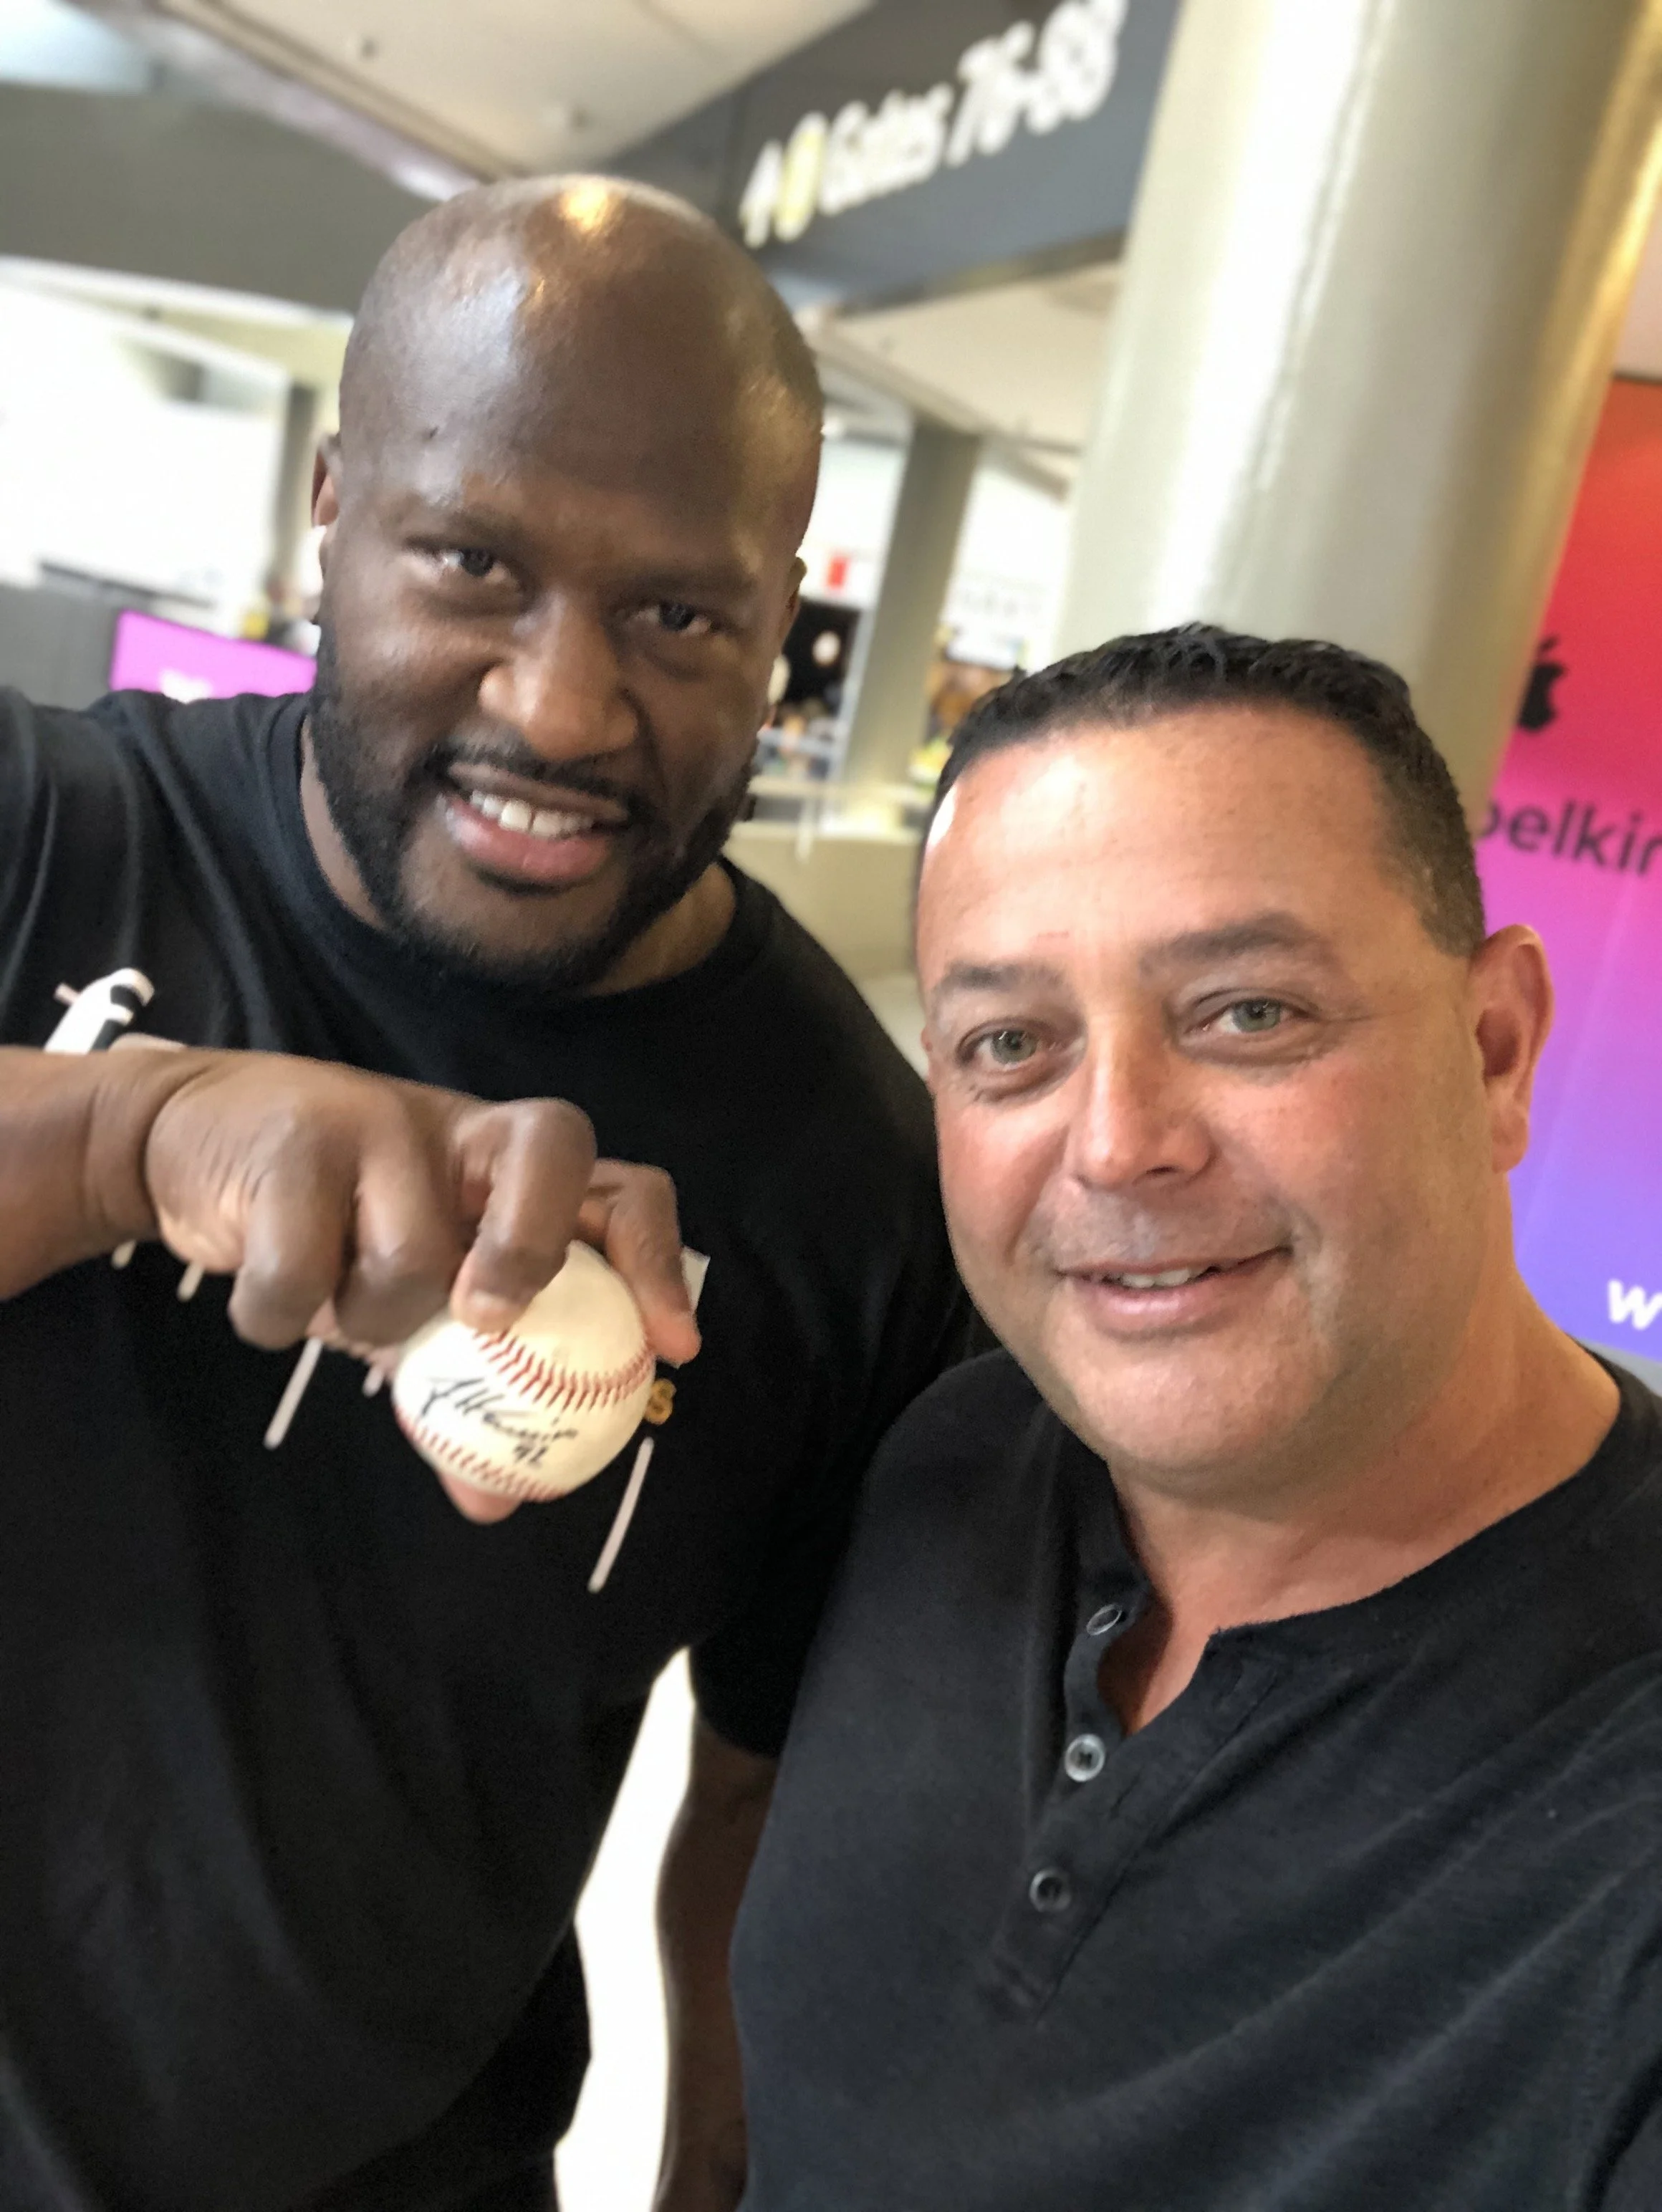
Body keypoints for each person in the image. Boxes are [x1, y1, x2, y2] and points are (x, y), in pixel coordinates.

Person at [0, 177, 964, 2212]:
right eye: (473, 563)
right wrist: (123, 1139)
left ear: (781, 625)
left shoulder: (864, 1188)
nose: (558, 707)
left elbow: (763, 1798)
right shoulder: (45, 833)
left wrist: (714, 2178)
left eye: (679, 615)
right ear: (331, 513)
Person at [732, 624, 1662, 2211]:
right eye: (1010, 1045)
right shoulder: (950, 1461)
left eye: (1248, 1014)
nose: (1117, 1145)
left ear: (1493, 1049)